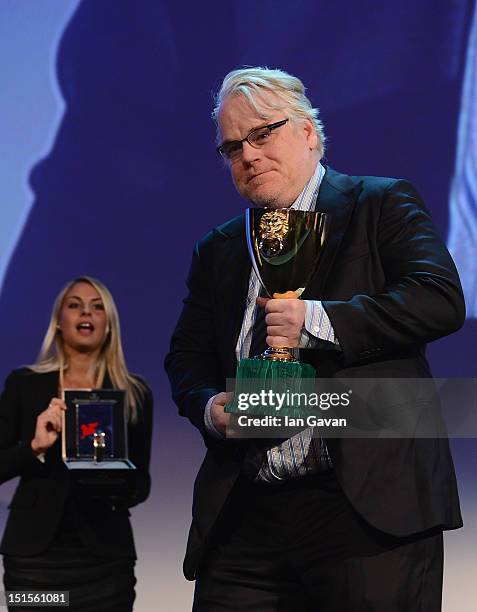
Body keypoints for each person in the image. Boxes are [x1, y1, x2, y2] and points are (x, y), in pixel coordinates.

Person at [164, 67, 466, 611]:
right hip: (247, 513)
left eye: (261, 134)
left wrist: (318, 321)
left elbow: (439, 299)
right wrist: (211, 408)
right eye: (232, 147)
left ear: (307, 132)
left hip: (365, 510)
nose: (248, 156)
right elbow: (184, 357)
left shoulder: (380, 204)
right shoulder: (220, 248)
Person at [0, 276, 153, 611]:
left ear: (109, 324)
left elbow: (141, 484)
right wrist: (34, 447)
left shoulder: (135, 393)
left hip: (106, 563)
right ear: (58, 320)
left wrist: (111, 472)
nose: (87, 312)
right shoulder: (24, 384)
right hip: (32, 563)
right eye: (75, 305)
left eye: (98, 307)